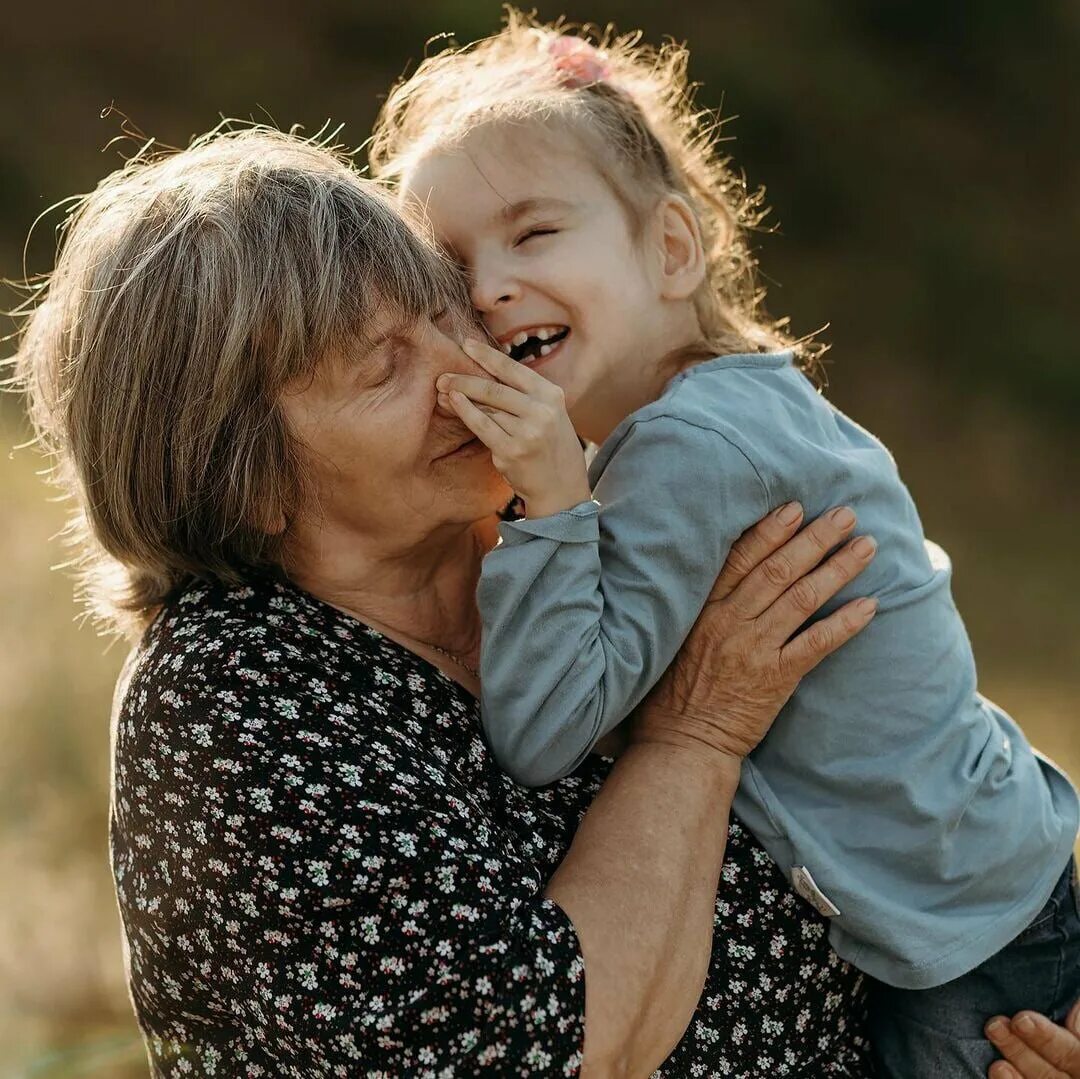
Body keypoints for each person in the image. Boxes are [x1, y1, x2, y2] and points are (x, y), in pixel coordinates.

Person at [11, 127, 890, 1076]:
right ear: (243, 481)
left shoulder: (582, 525)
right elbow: (546, 1051)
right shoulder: (231, 700)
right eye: (382, 365)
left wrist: (1033, 998)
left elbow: (906, 754)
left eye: (448, 314)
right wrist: (695, 737)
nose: (470, 370)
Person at [367, 14, 1080, 1077]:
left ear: (669, 248)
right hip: (994, 873)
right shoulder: (741, 403)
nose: (488, 286)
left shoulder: (684, 449)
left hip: (958, 947)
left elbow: (545, 731)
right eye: (452, 264)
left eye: (533, 233)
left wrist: (553, 502)